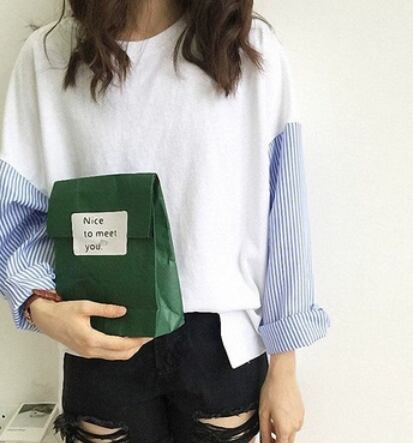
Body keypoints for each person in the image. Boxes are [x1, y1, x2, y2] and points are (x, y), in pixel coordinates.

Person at [0, 1, 331, 442]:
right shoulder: (50, 54)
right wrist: (39, 307)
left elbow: (284, 213)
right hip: (101, 332)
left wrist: (284, 367)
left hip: (220, 342)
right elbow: (15, 209)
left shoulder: (247, 49)